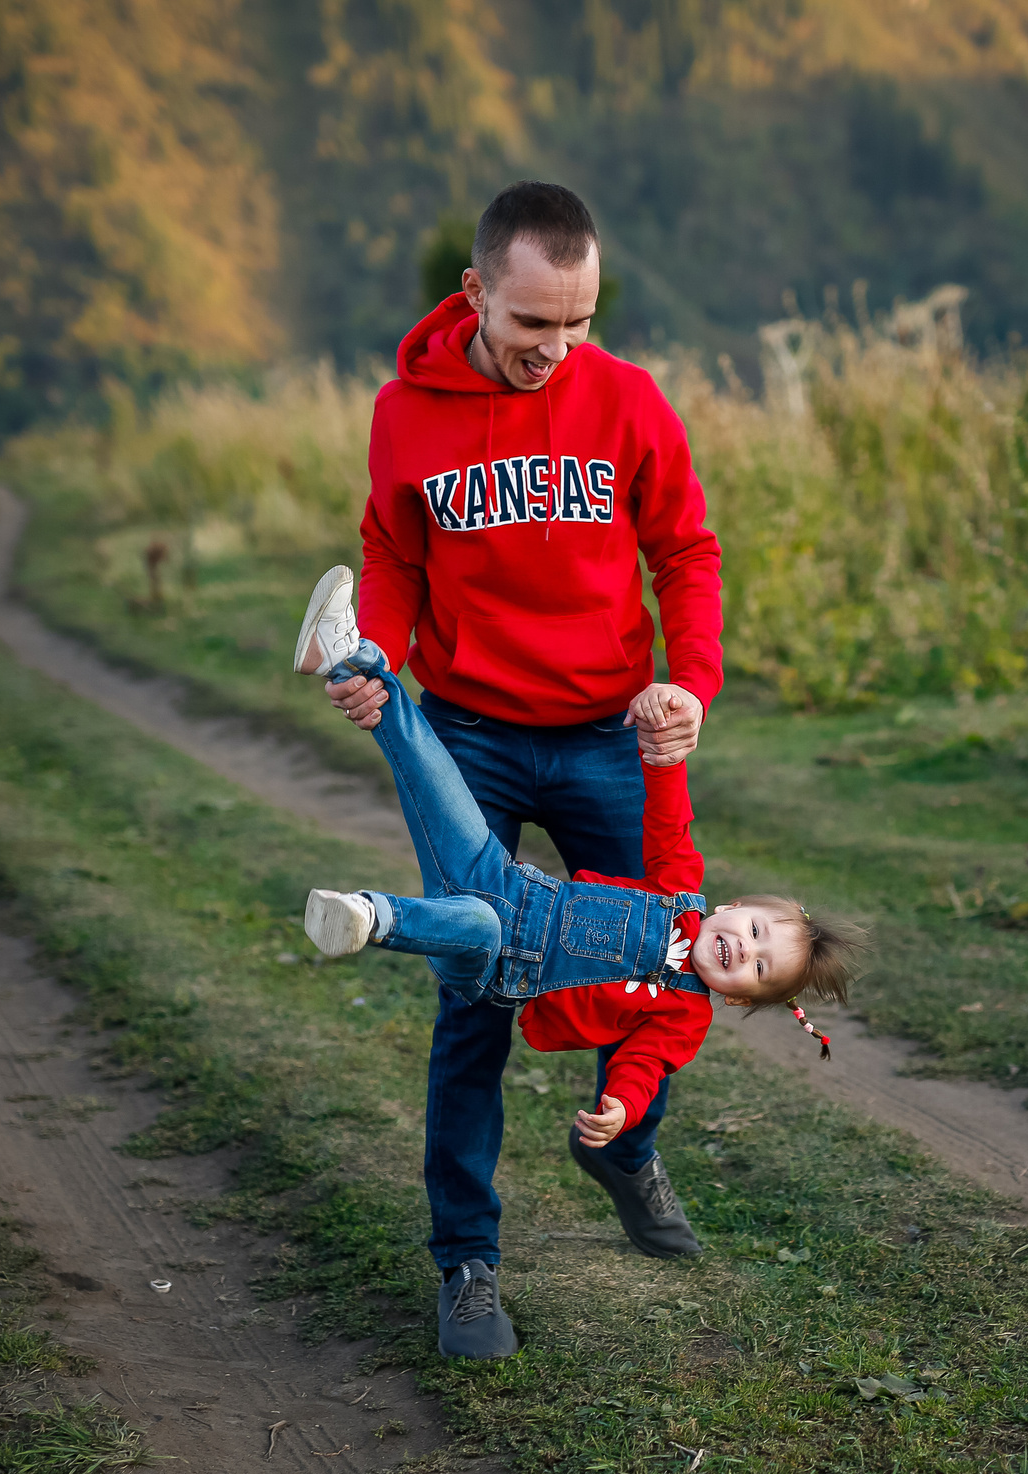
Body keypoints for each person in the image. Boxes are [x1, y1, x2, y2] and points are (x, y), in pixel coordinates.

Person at [328, 180, 728, 1356]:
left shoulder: (629, 403)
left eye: (580, 323)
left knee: (664, 960)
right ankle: (468, 1267)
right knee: (477, 989)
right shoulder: (406, 414)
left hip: (609, 734)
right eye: (530, 325)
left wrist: (687, 689)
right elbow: (390, 555)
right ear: (474, 295)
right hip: (472, 741)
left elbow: (686, 551)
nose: (554, 350)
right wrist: (379, 661)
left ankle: (627, 1149)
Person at [294, 572, 865, 1357]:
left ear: (738, 999)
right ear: (734, 903)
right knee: (432, 776)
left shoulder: (682, 1014)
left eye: (757, 968)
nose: (744, 948)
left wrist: (622, 1111)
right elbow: (667, 812)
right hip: (510, 876)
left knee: (474, 931)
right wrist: (663, 748)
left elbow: (641, 1064)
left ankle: (373, 916)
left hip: (503, 965)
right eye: (755, 928)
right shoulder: (677, 886)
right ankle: (350, 655)